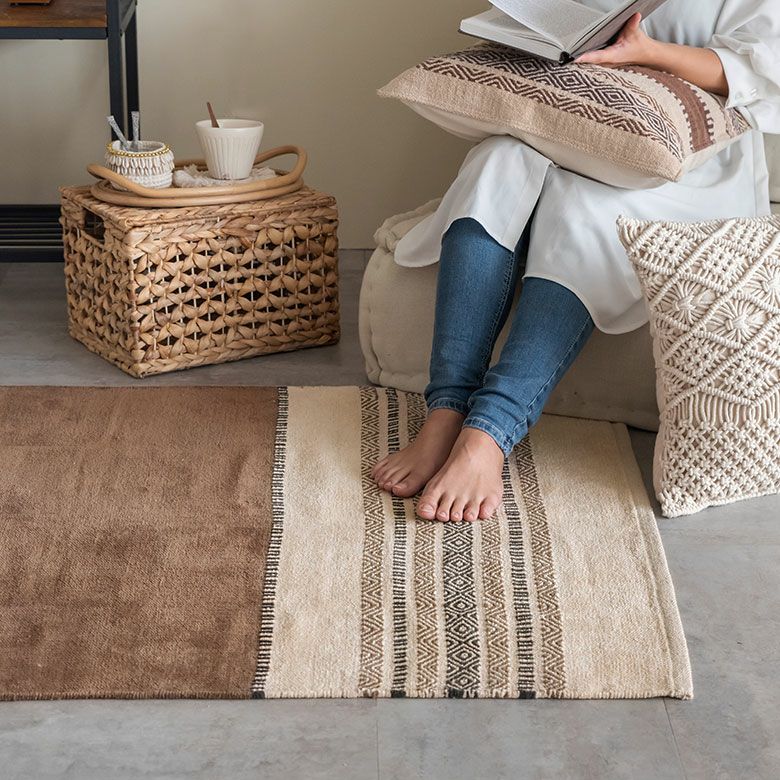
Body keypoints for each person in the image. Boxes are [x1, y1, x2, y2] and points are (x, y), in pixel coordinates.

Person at [371, 0, 780, 523]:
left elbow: (754, 71)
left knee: (583, 208)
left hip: (690, 160)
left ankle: (488, 433)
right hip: (577, 112)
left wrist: (646, 52)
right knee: (494, 162)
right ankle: (446, 412)